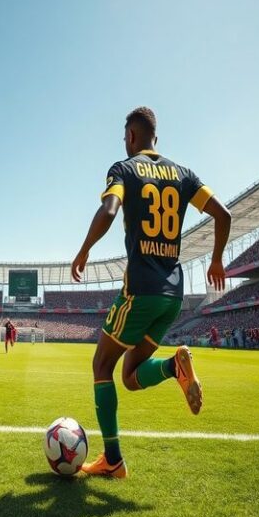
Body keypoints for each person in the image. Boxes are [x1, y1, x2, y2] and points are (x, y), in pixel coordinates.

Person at [71, 106, 231, 478]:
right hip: (173, 294)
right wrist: (217, 260)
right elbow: (223, 215)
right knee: (130, 375)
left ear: (131, 136)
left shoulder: (123, 169)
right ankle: (175, 366)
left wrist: (84, 250)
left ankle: (112, 460)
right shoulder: (182, 174)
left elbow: (109, 211)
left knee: (101, 366)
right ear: (155, 138)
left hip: (141, 289)